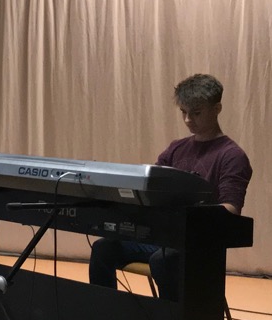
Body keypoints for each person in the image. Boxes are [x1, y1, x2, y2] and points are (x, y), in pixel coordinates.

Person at [88, 73, 252, 301]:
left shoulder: (231, 155)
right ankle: (106, 314)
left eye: (196, 113)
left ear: (217, 109)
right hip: (163, 237)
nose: (188, 120)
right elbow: (150, 187)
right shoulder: (176, 148)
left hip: (199, 244)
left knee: (164, 260)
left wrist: (189, 217)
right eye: (184, 112)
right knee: (103, 248)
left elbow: (231, 209)